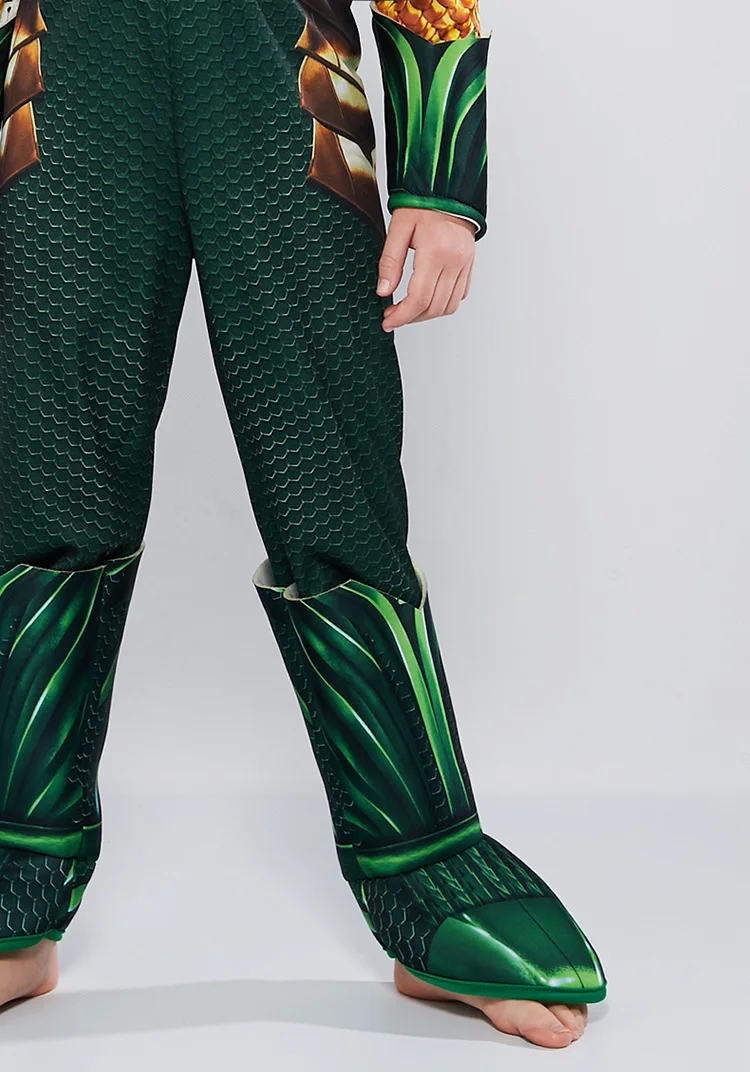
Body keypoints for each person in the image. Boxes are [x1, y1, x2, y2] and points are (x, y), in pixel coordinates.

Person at [0, 0, 606, 1048]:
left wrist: (440, 180)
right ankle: (17, 879)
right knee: (47, 489)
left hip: (280, 69)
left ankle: (425, 869)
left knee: (332, 488)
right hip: (67, 70)